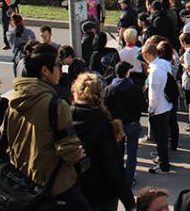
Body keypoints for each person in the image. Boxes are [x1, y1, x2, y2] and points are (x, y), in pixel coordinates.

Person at [6, 43, 91, 209]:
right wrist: (80, 156)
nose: (61, 70)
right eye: (58, 66)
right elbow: (69, 149)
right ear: (45, 70)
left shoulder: (13, 102)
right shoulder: (56, 105)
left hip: (24, 182)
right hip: (56, 184)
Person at [70, 72, 135, 211]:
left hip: (71, 191)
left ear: (75, 92)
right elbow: (113, 167)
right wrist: (129, 202)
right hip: (100, 195)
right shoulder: (102, 123)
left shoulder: (64, 119)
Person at [104, 62, 145, 188]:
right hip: (132, 124)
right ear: (127, 73)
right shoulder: (134, 88)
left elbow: (105, 108)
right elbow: (142, 106)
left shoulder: (109, 89)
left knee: (117, 153)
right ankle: (129, 179)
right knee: (132, 153)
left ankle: (118, 177)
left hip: (116, 125)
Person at [142, 42, 173, 175]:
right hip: (167, 105)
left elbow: (153, 95)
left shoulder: (154, 72)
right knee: (164, 137)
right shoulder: (164, 64)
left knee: (160, 139)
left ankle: (163, 165)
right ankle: (163, 160)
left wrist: (150, 110)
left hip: (158, 108)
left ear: (148, 55)